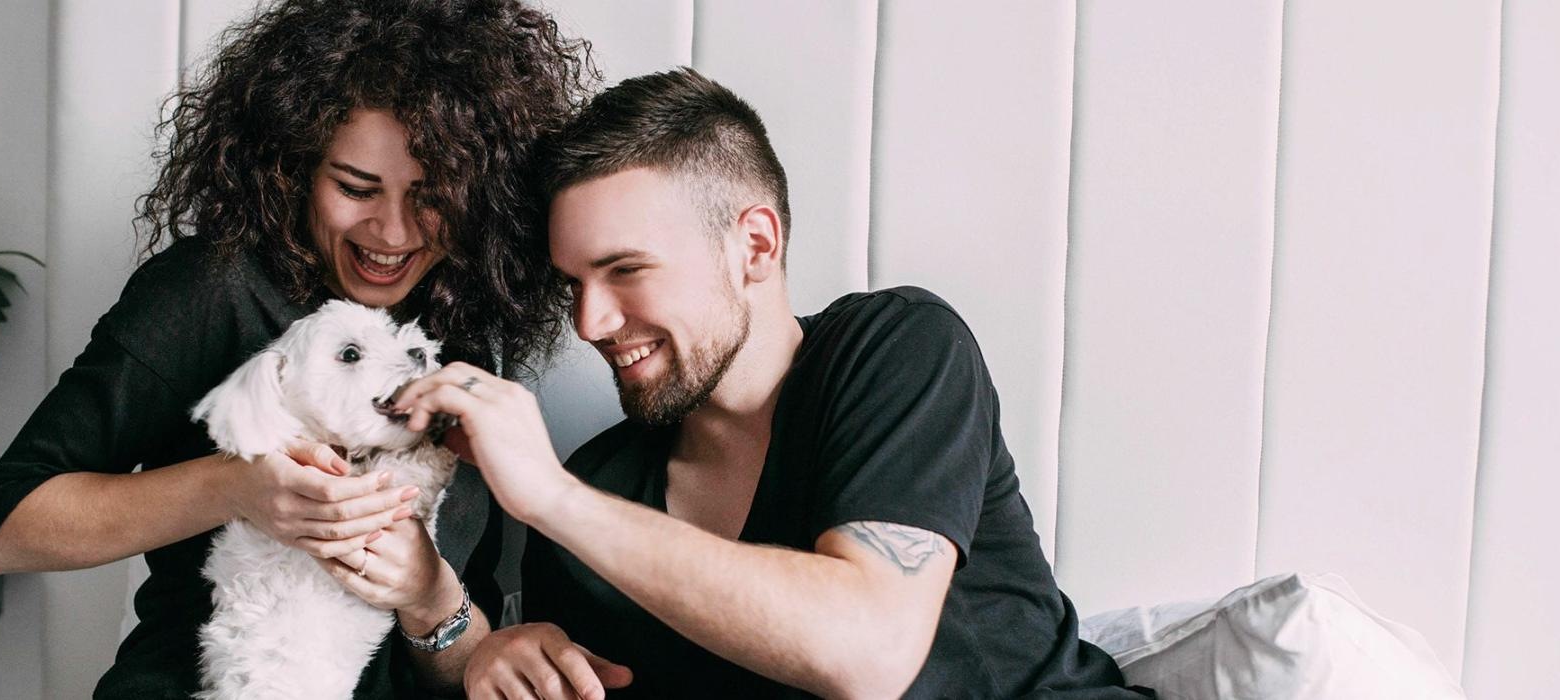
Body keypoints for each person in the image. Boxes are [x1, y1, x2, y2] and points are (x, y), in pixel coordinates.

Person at [384, 68, 1155, 698]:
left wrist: (551, 498)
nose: (590, 323)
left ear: (754, 245)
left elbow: (869, 653)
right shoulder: (600, 490)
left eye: (625, 270)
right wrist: (489, 645)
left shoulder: (895, 348)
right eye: (574, 283)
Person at [0, 1, 593, 697]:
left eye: (433, 196)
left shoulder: (470, 322)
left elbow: (461, 645)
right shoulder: (213, 289)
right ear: (293, 168)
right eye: (355, 188)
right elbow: (2, 531)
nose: (391, 230)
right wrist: (236, 487)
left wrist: (429, 596)